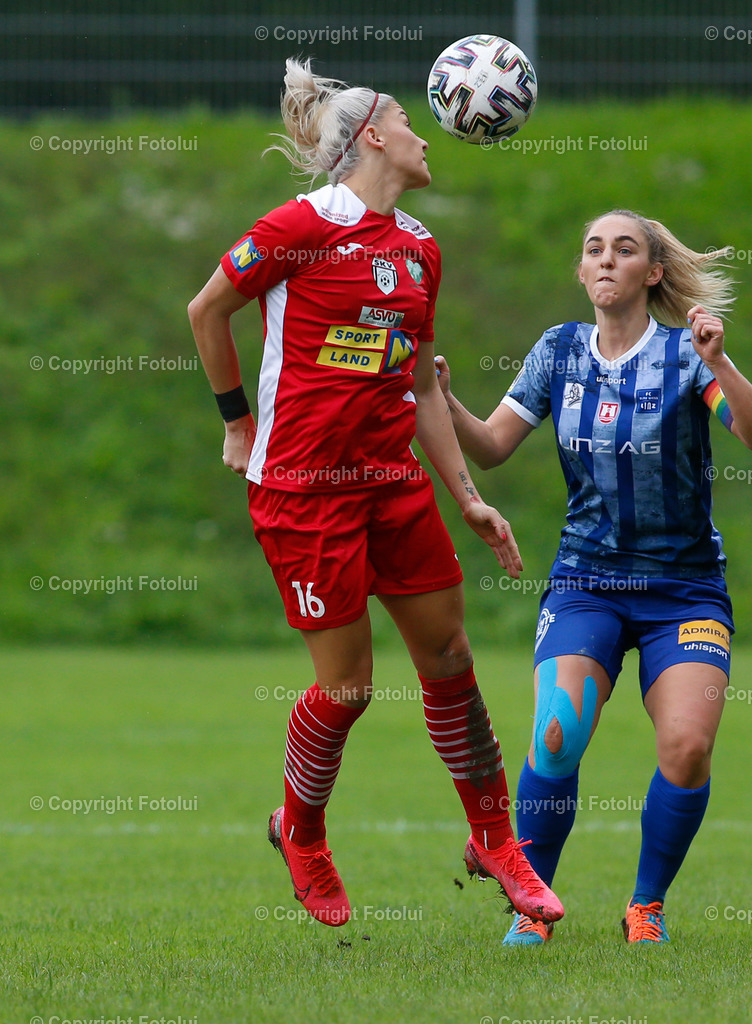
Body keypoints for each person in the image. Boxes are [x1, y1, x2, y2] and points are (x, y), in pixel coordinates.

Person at [186, 57, 563, 929]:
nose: (427, 135)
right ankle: (303, 834)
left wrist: (465, 494)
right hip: (304, 491)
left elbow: (421, 386)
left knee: (452, 660)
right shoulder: (297, 226)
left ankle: (498, 843)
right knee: (348, 690)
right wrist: (237, 423)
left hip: (391, 483)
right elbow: (207, 311)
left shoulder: (420, 248)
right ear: (372, 137)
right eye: (410, 120)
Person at [436, 209, 752, 945]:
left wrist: (721, 361)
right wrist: (442, 395)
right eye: (593, 248)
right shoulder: (558, 351)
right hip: (586, 581)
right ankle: (536, 905)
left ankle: (646, 905)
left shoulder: (687, 357)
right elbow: (493, 446)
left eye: (623, 250)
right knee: (556, 735)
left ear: (651, 273)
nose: (604, 260)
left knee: (687, 746)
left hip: (683, 589)